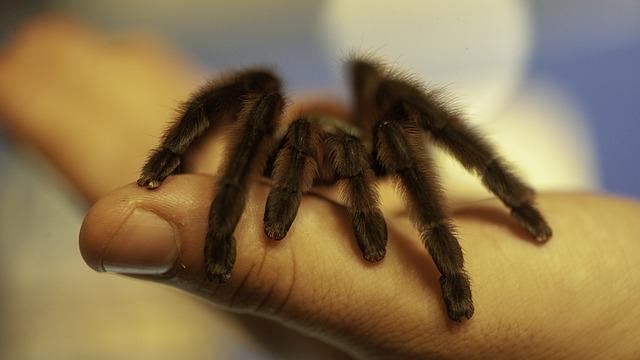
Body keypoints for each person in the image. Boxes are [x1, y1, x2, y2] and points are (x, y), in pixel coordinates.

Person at [1, 15, 638, 359]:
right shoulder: (282, 132)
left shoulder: (377, 135)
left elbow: (427, 125)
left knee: (394, 93)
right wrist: (174, 167)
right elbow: (248, 117)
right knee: (253, 89)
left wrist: (465, 259)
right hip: (291, 142)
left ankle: (506, 208)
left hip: (358, 138)